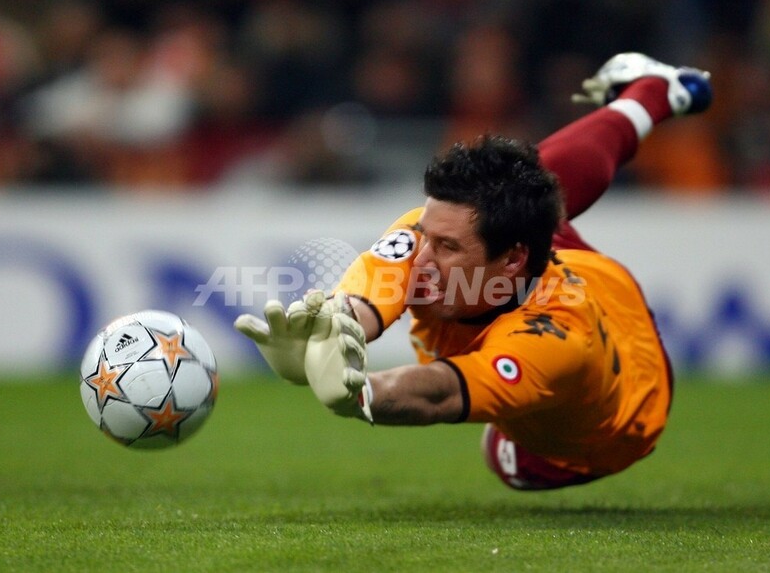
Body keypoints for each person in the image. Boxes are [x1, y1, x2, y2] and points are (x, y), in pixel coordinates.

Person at [235, 53, 713, 490]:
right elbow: (366, 299)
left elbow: (439, 395)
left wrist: (362, 394)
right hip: (558, 267)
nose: (422, 258)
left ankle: (649, 95)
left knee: (502, 458)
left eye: (446, 247)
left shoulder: (553, 340)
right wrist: (328, 334)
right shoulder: (430, 237)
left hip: (624, 413)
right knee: (527, 184)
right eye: (427, 235)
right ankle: (653, 93)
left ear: (513, 259)